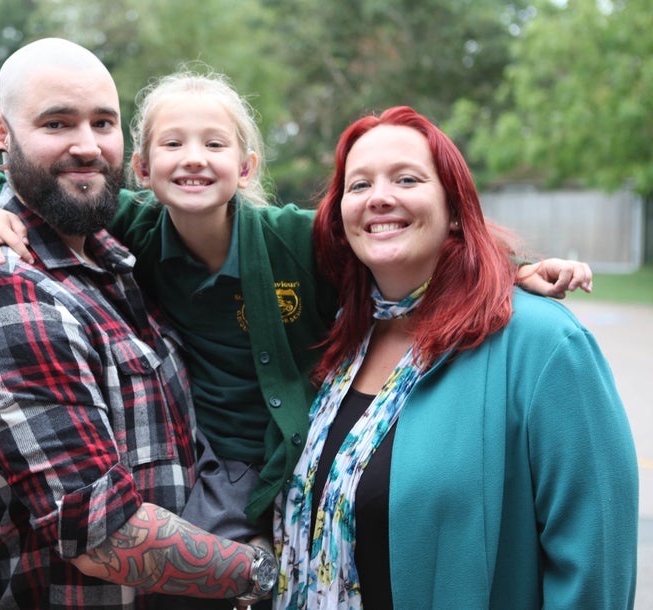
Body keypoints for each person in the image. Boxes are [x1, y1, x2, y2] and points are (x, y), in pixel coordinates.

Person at [0, 69, 594, 542]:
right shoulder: (134, 229)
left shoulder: (296, 238)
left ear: (245, 166)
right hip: (212, 473)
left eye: (214, 144)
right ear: (142, 169)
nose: (193, 159)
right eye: (173, 145)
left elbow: (401, 245)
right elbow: (37, 177)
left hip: (299, 457)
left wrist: (515, 270)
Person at [0, 38, 278, 610]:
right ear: (1, 135)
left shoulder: (113, 252)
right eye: (57, 123)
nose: (87, 146)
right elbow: (102, 535)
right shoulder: (12, 288)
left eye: (103, 122)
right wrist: (268, 572)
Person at [273, 106, 639, 609]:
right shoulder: (340, 338)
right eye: (359, 186)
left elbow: (595, 564)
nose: (380, 197)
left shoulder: (544, 345)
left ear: (454, 208)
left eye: (406, 178)